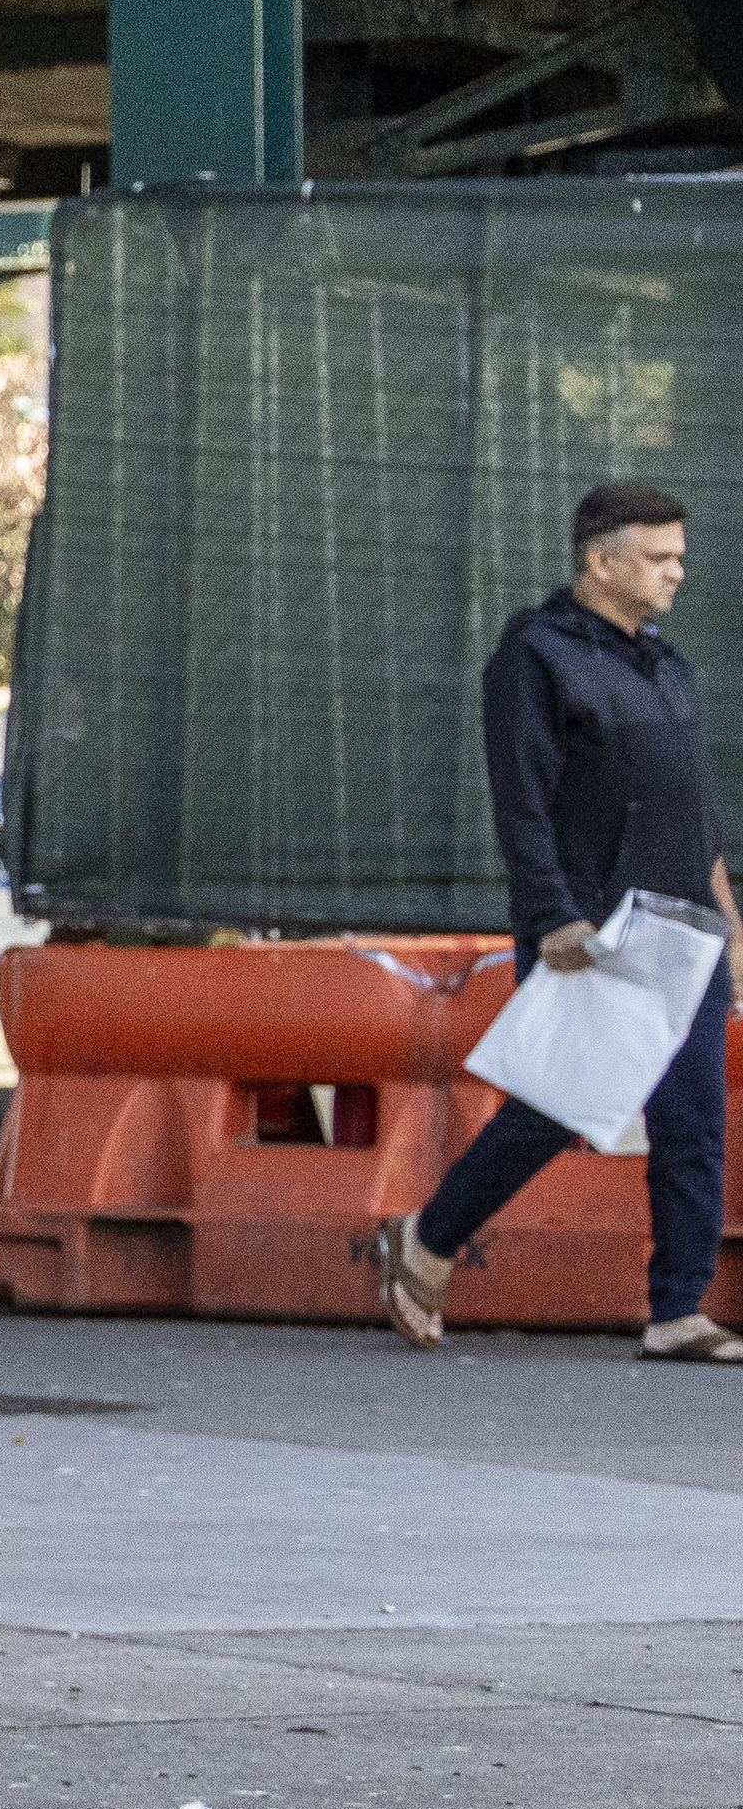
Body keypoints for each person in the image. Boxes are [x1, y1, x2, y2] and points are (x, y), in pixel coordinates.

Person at [378, 479, 736, 1359]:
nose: (676, 574)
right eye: (659, 558)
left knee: (693, 1119)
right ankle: (425, 1238)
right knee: (553, 1108)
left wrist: (729, 921)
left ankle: (676, 1312)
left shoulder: (664, 661)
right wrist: (552, 919)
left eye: (680, 557)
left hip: (684, 932)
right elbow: (522, 805)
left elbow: (695, 811)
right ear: (599, 559)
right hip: (595, 935)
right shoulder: (534, 657)